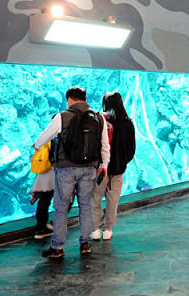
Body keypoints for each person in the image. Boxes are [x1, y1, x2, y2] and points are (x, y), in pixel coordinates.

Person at [34, 86, 110, 259]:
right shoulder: (98, 118)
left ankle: (57, 247)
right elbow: (105, 145)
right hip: (89, 168)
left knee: (61, 207)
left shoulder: (62, 116)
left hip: (65, 169)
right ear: (85, 98)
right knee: (85, 206)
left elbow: (44, 137)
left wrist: (37, 146)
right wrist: (104, 165)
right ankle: (85, 244)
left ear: (69, 99)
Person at [91, 91, 136, 241]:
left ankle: (95, 229)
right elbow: (131, 150)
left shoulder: (100, 121)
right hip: (117, 170)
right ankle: (108, 229)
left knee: (95, 199)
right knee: (112, 201)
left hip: (100, 169)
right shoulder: (128, 123)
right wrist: (121, 162)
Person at [29, 145, 55, 239]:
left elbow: (36, 145)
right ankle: (53, 224)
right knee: (66, 200)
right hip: (59, 170)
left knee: (44, 200)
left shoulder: (47, 134)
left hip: (44, 169)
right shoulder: (65, 131)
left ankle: (40, 229)